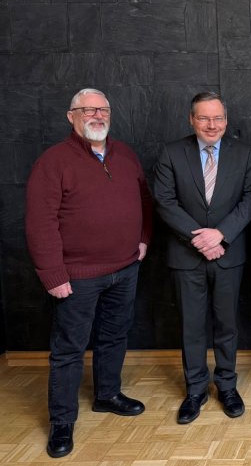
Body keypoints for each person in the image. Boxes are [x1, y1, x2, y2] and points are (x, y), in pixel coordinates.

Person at [25, 88, 152, 458]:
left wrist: (143, 238)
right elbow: (40, 222)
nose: (96, 115)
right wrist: (53, 274)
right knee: (68, 350)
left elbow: (144, 199)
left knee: (114, 337)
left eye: (102, 109)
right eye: (87, 110)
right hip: (76, 275)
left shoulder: (125, 154)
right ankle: (62, 421)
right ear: (71, 116)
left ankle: (107, 394)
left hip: (125, 267)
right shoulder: (53, 161)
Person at [153, 92, 251, 424]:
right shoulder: (171, 153)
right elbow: (165, 202)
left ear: (226, 121)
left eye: (218, 118)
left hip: (229, 253)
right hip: (186, 255)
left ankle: (226, 385)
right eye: (204, 118)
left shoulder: (245, 154)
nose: (211, 125)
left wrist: (221, 235)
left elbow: (249, 199)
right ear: (191, 120)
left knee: (227, 325)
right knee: (192, 327)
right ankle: (196, 389)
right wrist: (200, 238)